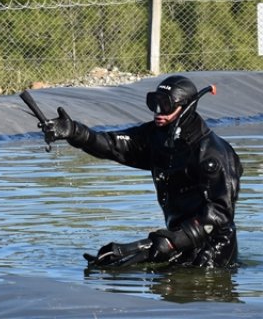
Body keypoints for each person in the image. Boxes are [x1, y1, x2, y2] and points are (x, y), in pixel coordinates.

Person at [40, 74, 242, 268]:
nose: (157, 111)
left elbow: (221, 214)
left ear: (185, 108)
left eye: (165, 105)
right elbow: (114, 145)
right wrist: (76, 132)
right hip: (175, 239)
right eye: (154, 103)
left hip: (213, 250)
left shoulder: (212, 154)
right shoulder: (156, 137)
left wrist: (171, 242)